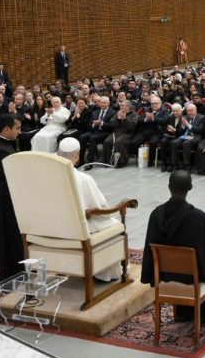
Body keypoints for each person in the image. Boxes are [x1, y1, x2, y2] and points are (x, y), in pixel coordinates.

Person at [140, 170, 205, 326]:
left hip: (165, 274)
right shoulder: (199, 217)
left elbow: (149, 251)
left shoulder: (155, 215)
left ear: (169, 187)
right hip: (191, 277)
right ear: (190, 187)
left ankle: (183, 313)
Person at [56, 137, 122, 280]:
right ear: (76, 155)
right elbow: (100, 208)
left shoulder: (48, 176)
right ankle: (104, 274)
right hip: (78, 229)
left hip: (56, 227)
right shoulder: (83, 179)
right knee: (115, 224)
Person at [0, 114, 25, 279]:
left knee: (14, 235)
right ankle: (13, 273)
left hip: (10, 195)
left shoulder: (3, 143)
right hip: (6, 198)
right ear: (6, 128)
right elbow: (14, 175)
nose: (20, 132)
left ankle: (17, 268)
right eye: (17, 128)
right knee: (10, 236)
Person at [103, 100, 140, 167]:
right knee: (107, 142)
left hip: (128, 133)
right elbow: (111, 123)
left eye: (122, 105)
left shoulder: (134, 114)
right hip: (116, 132)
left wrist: (125, 119)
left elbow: (132, 126)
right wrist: (118, 119)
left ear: (128, 107)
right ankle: (108, 161)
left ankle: (120, 162)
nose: (120, 106)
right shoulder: (118, 113)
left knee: (119, 142)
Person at [80, 96, 114, 164]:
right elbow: (89, 126)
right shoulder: (95, 112)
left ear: (108, 103)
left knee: (93, 138)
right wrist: (93, 125)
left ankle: (90, 162)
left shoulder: (112, 113)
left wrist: (101, 123)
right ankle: (81, 160)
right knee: (82, 137)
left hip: (105, 132)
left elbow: (111, 127)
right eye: (101, 102)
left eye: (104, 103)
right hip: (95, 131)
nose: (102, 104)